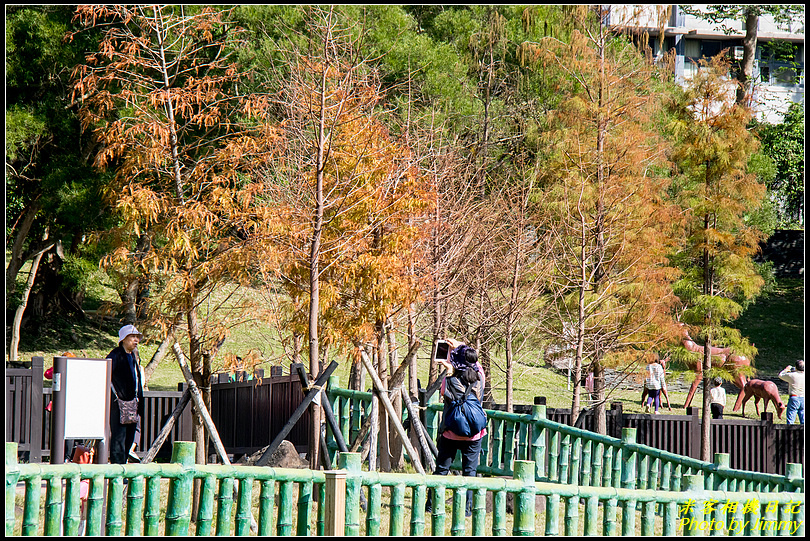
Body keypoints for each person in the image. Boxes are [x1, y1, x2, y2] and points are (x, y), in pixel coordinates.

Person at [429, 338, 487, 517]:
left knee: (441, 470)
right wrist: (462, 347)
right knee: (470, 473)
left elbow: (443, 394)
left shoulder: (450, 380)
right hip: (475, 435)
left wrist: (449, 368)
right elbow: (475, 363)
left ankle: (431, 506)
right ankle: (467, 511)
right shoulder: (480, 378)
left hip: (451, 432)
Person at [108, 324, 145, 464]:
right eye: (132, 337)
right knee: (119, 437)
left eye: (137, 337)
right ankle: (117, 469)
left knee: (130, 436)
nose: (136, 340)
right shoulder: (115, 355)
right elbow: (106, 376)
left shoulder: (133, 357)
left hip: (132, 403)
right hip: (118, 403)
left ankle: (123, 465)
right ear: (123, 339)